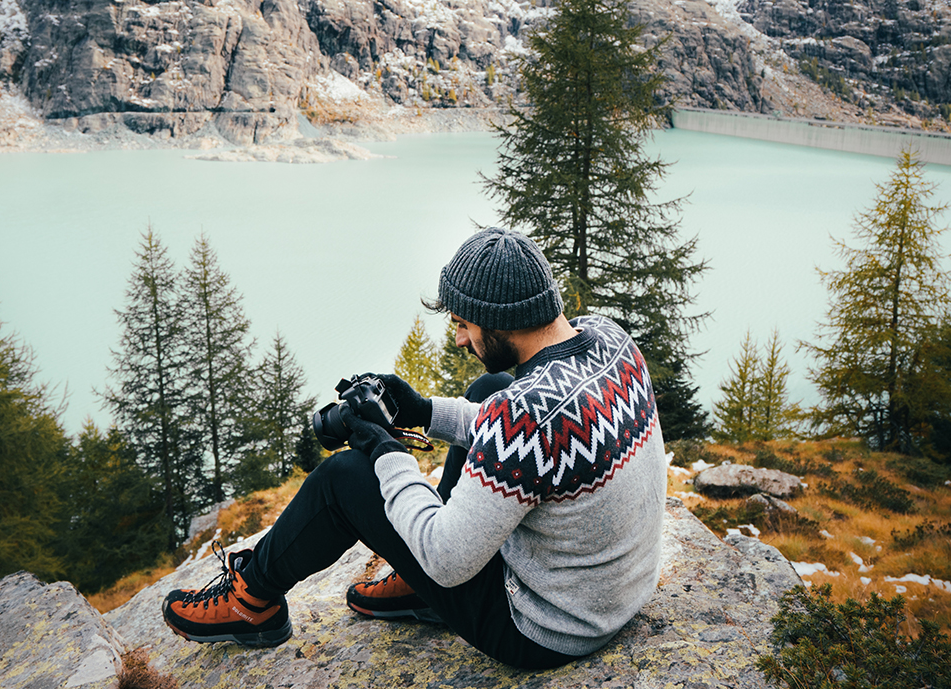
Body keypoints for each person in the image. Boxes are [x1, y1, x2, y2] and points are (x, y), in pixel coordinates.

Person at [162, 227, 667, 669]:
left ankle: (253, 603)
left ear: (498, 322)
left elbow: (448, 558)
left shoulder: (525, 417)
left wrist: (387, 453)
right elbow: (532, 434)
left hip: (545, 630)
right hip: (611, 594)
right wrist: (424, 411)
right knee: (488, 389)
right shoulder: (609, 337)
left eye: (464, 325)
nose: (459, 341)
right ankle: (424, 594)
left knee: (343, 480)